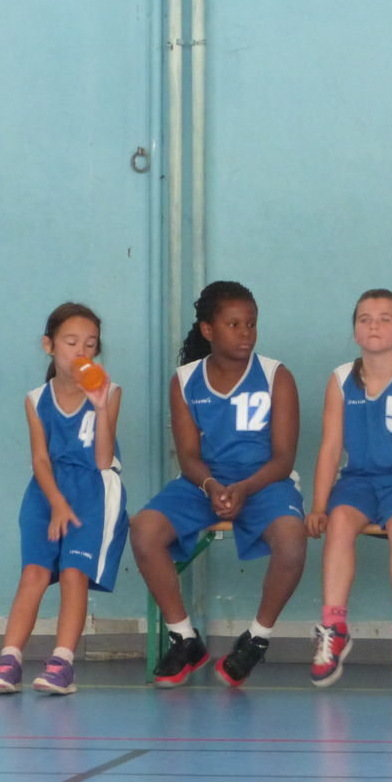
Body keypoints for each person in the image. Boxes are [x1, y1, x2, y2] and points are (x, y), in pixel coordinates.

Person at [130, 281, 308, 689]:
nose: (246, 333)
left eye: (251, 324)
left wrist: (243, 489)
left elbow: (284, 458)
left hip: (265, 481)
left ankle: (256, 639)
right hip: (203, 483)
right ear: (208, 330)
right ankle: (184, 638)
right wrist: (212, 485)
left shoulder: (276, 376)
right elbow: (188, 456)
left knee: (292, 539)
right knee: (144, 530)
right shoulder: (185, 381)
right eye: (234, 324)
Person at [306, 290, 392, 686]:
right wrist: (318, 504)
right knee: (338, 521)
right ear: (355, 331)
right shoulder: (340, 379)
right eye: (365, 318)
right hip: (358, 480)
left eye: (385, 319)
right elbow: (331, 448)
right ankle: (334, 628)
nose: (374, 325)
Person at [0, 303, 127, 697]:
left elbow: (103, 459)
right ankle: (9, 660)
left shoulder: (111, 393)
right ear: (49, 345)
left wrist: (100, 406)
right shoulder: (35, 399)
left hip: (93, 490)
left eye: (90, 344)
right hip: (46, 491)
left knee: (72, 574)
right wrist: (56, 503)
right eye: (71, 342)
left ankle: (62, 663)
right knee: (33, 572)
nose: (81, 351)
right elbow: (40, 459)